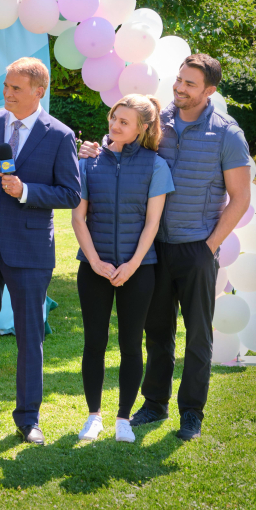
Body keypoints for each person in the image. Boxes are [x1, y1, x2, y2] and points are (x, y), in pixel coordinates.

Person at [79, 53, 251, 440]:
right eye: (179, 79)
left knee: (198, 335)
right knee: (156, 331)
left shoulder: (227, 134)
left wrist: (208, 247)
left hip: (197, 249)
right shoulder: (160, 121)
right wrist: (95, 149)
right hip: (154, 249)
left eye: (190, 83)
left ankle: (191, 412)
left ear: (209, 90)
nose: (179, 87)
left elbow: (240, 198)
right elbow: (122, 143)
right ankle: (154, 403)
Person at [0, 57, 81, 445]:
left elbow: (71, 194)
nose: (7, 93)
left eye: (16, 88)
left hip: (30, 250)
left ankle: (28, 419)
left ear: (39, 91)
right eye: (6, 86)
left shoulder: (59, 135)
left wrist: (25, 191)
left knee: (29, 337)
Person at [71, 94, 174, 444]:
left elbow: (152, 223)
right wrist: (95, 262)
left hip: (139, 270)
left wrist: (132, 265)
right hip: (93, 268)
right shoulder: (89, 163)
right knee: (94, 343)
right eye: (114, 117)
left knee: (131, 344)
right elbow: (78, 218)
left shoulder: (156, 166)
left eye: (124, 121)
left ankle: (123, 420)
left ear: (142, 128)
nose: (115, 125)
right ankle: (93, 416)